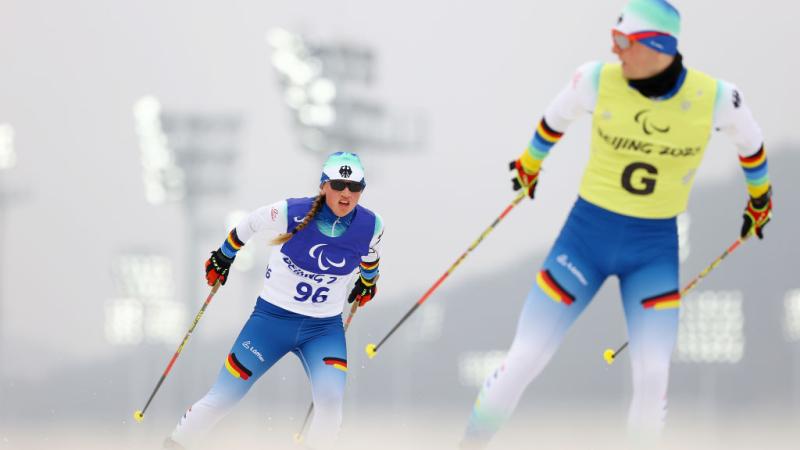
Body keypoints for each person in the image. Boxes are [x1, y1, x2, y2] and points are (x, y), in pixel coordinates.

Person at [461, 0, 772, 446]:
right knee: (524, 359)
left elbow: (752, 144)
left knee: (651, 378)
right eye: (613, 39)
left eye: (624, 41)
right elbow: (554, 119)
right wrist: (530, 164)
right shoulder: (595, 80)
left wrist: (760, 198)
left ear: (658, 45)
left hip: (653, 253)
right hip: (585, 240)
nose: (616, 51)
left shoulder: (716, 97)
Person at [164, 152, 384, 449]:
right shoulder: (292, 212)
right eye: (338, 184)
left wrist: (368, 282)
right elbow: (252, 222)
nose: (346, 193)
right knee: (224, 397)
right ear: (323, 187)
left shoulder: (371, 225)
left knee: (331, 403)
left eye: (354, 187)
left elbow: (370, 257)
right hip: (271, 323)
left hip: (323, 331)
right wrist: (224, 255)